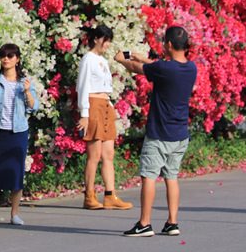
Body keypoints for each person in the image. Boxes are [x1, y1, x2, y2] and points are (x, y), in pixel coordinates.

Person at [114, 26, 198, 237]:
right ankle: (172, 222)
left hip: (160, 133)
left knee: (149, 176)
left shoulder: (165, 69)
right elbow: (158, 66)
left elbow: (137, 69)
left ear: (168, 45)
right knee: (172, 177)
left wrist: (121, 60)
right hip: (180, 134)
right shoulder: (191, 68)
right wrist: (142, 57)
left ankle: (144, 223)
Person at [0, 43, 39, 227]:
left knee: (16, 173)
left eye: (10, 56)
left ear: (17, 59)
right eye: (3, 56)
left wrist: (28, 92)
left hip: (18, 132)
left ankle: (15, 214)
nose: (6, 59)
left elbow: (34, 107)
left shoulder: (24, 83)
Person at [76, 24, 132, 211]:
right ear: (96, 39)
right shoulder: (88, 59)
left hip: (105, 105)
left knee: (108, 154)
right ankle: (89, 195)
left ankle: (110, 195)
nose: (107, 44)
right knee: (94, 155)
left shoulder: (102, 61)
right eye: (105, 40)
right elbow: (83, 86)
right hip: (93, 105)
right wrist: (84, 113)